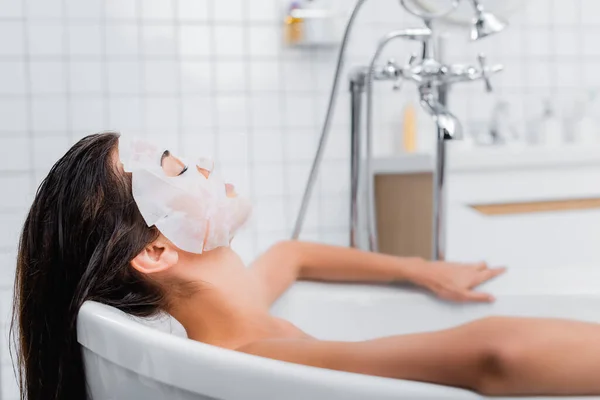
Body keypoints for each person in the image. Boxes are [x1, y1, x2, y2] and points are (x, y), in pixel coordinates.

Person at [11, 132, 600, 400]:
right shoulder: (258, 356)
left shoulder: (233, 310)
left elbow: (293, 255)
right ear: (156, 253)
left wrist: (418, 269)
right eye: (177, 169)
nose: (205, 165)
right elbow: (496, 357)